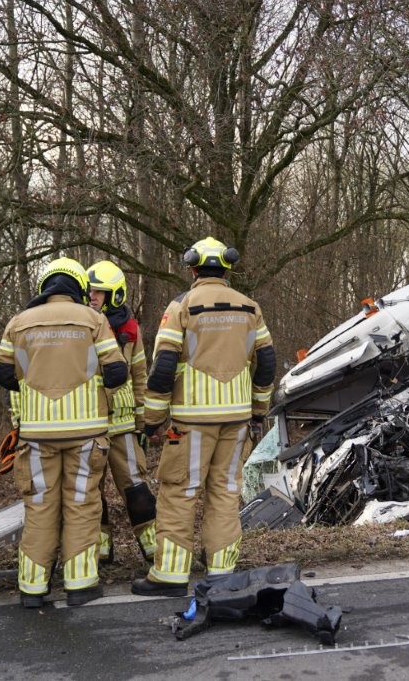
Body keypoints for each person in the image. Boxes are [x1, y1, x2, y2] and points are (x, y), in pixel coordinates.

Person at [132, 237, 275, 597]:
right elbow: (267, 362)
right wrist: (259, 410)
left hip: (191, 421)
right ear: (226, 269)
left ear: (193, 268)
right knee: (225, 493)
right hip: (237, 419)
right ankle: (222, 571)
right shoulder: (249, 307)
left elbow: (163, 366)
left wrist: (153, 419)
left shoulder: (182, 306)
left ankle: (170, 574)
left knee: (180, 493)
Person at [0, 257, 128, 607]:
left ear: (44, 287)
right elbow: (117, 372)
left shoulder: (18, 322)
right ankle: (80, 584)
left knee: (39, 506)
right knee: (82, 504)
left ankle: (33, 588)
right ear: (79, 288)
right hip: (86, 431)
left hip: (37, 434)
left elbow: (4, 375)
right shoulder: (93, 320)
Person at [86, 260, 157, 563]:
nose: (92, 296)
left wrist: (143, 422)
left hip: (123, 424)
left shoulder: (130, 328)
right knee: (91, 490)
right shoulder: (81, 324)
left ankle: (154, 547)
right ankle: (101, 549)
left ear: (115, 295)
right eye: (90, 291)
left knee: (135, 486)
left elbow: (140, 374)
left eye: (99, 292)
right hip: (89, 422)